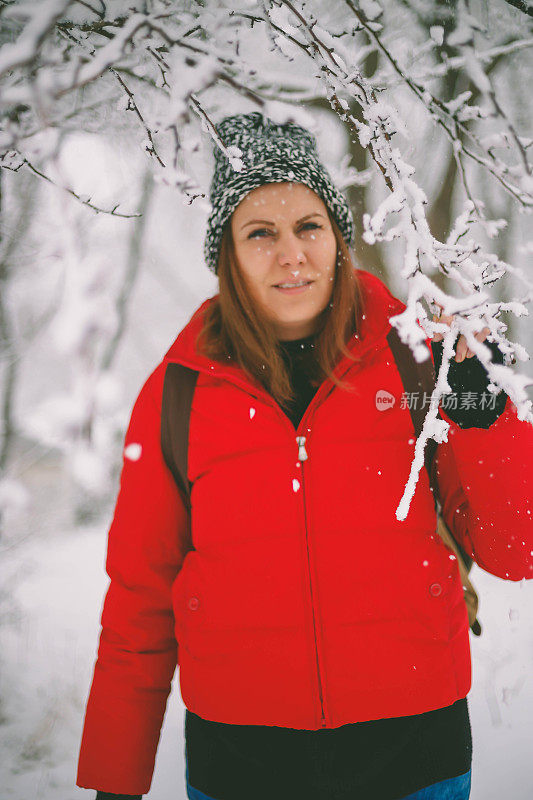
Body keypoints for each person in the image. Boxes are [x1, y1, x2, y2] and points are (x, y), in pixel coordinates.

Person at [76, 112, 533, 800]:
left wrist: (481, 409)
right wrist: (116, 782)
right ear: (225, 253)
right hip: (241, 762)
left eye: (307, 227)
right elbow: (139, 598)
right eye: (260, 233)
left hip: (415, 753)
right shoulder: (178, 392)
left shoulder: (420, 361)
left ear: (337, 238)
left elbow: (514, 546)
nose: (291, 253)